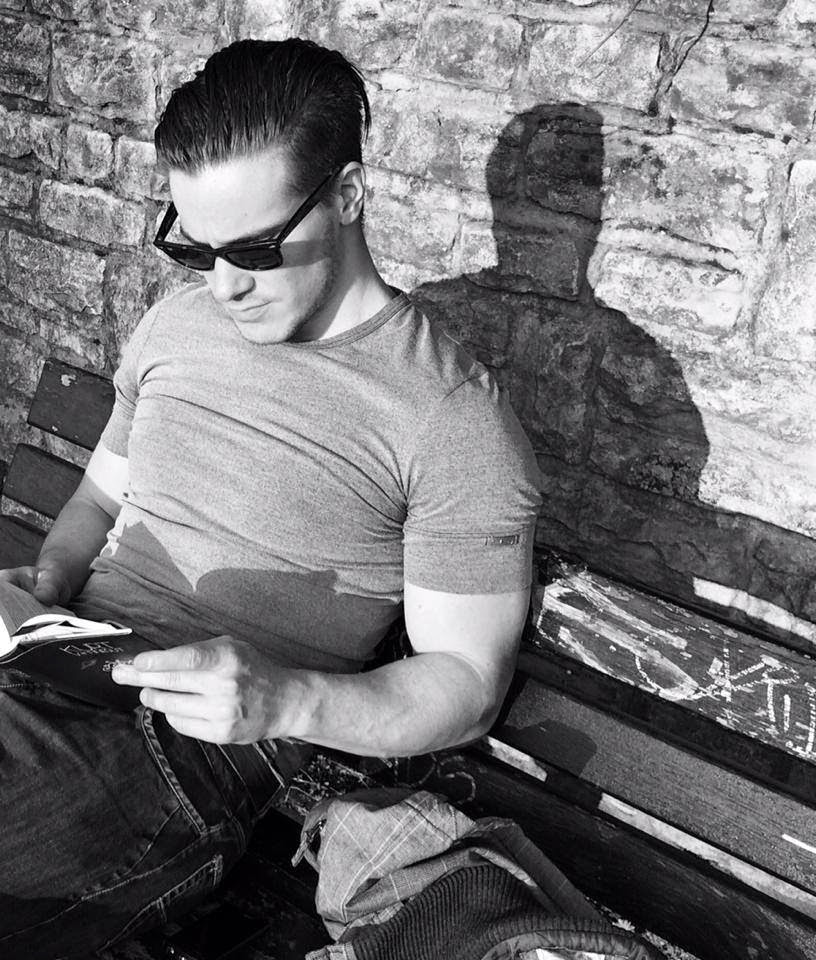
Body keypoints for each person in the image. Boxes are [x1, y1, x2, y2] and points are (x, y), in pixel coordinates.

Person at [0, 37, 542, 958]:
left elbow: (466, 684)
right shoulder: (176, 325)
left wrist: (285, 699)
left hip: (187, 748)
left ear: (348, 195)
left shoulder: (448, 416)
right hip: (57, 666)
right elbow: (98, 496)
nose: (225, 285)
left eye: (254, 248)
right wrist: (45, 584)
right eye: (196, 248)